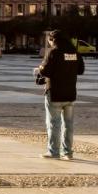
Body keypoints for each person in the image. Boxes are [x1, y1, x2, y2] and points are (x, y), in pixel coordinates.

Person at [34, 29, 84, 160]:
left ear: (53, 40)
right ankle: (67, 153)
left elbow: (46, 72)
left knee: (53, 124)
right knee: (69, 125)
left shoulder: (53, 52)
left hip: (55, 93)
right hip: (70, 94)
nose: (49, 43)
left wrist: (39, 69)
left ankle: (53, 151)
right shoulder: (75, 52)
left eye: (49, 41)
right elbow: (81, 70)